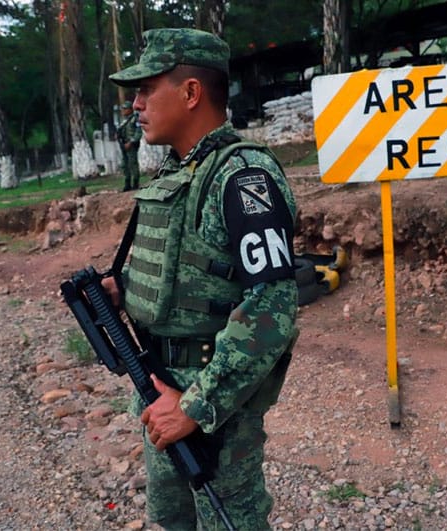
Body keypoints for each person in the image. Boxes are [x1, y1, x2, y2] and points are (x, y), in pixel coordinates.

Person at [106, 28, 298, 530]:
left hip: (214, 408)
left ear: (191, 93)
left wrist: (196, 405)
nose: (137, 104)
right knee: (174, 523)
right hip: (160, 392)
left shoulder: (242, 177)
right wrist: (122, 292)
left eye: (148, 89)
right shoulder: (176, 173)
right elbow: (184, 272)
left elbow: (273, 305)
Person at [117, 100, 143, 191]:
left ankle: (135, 183)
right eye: (122, 109)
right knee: (124, 165)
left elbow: (139, 132)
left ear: (130, 109)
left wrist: (131, 142)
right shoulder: (123, 120)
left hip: (131, 145)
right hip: (124, 144)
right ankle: (127, 184)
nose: (123, 111)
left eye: (125, 109)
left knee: (133, 164)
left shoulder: (135, 119)